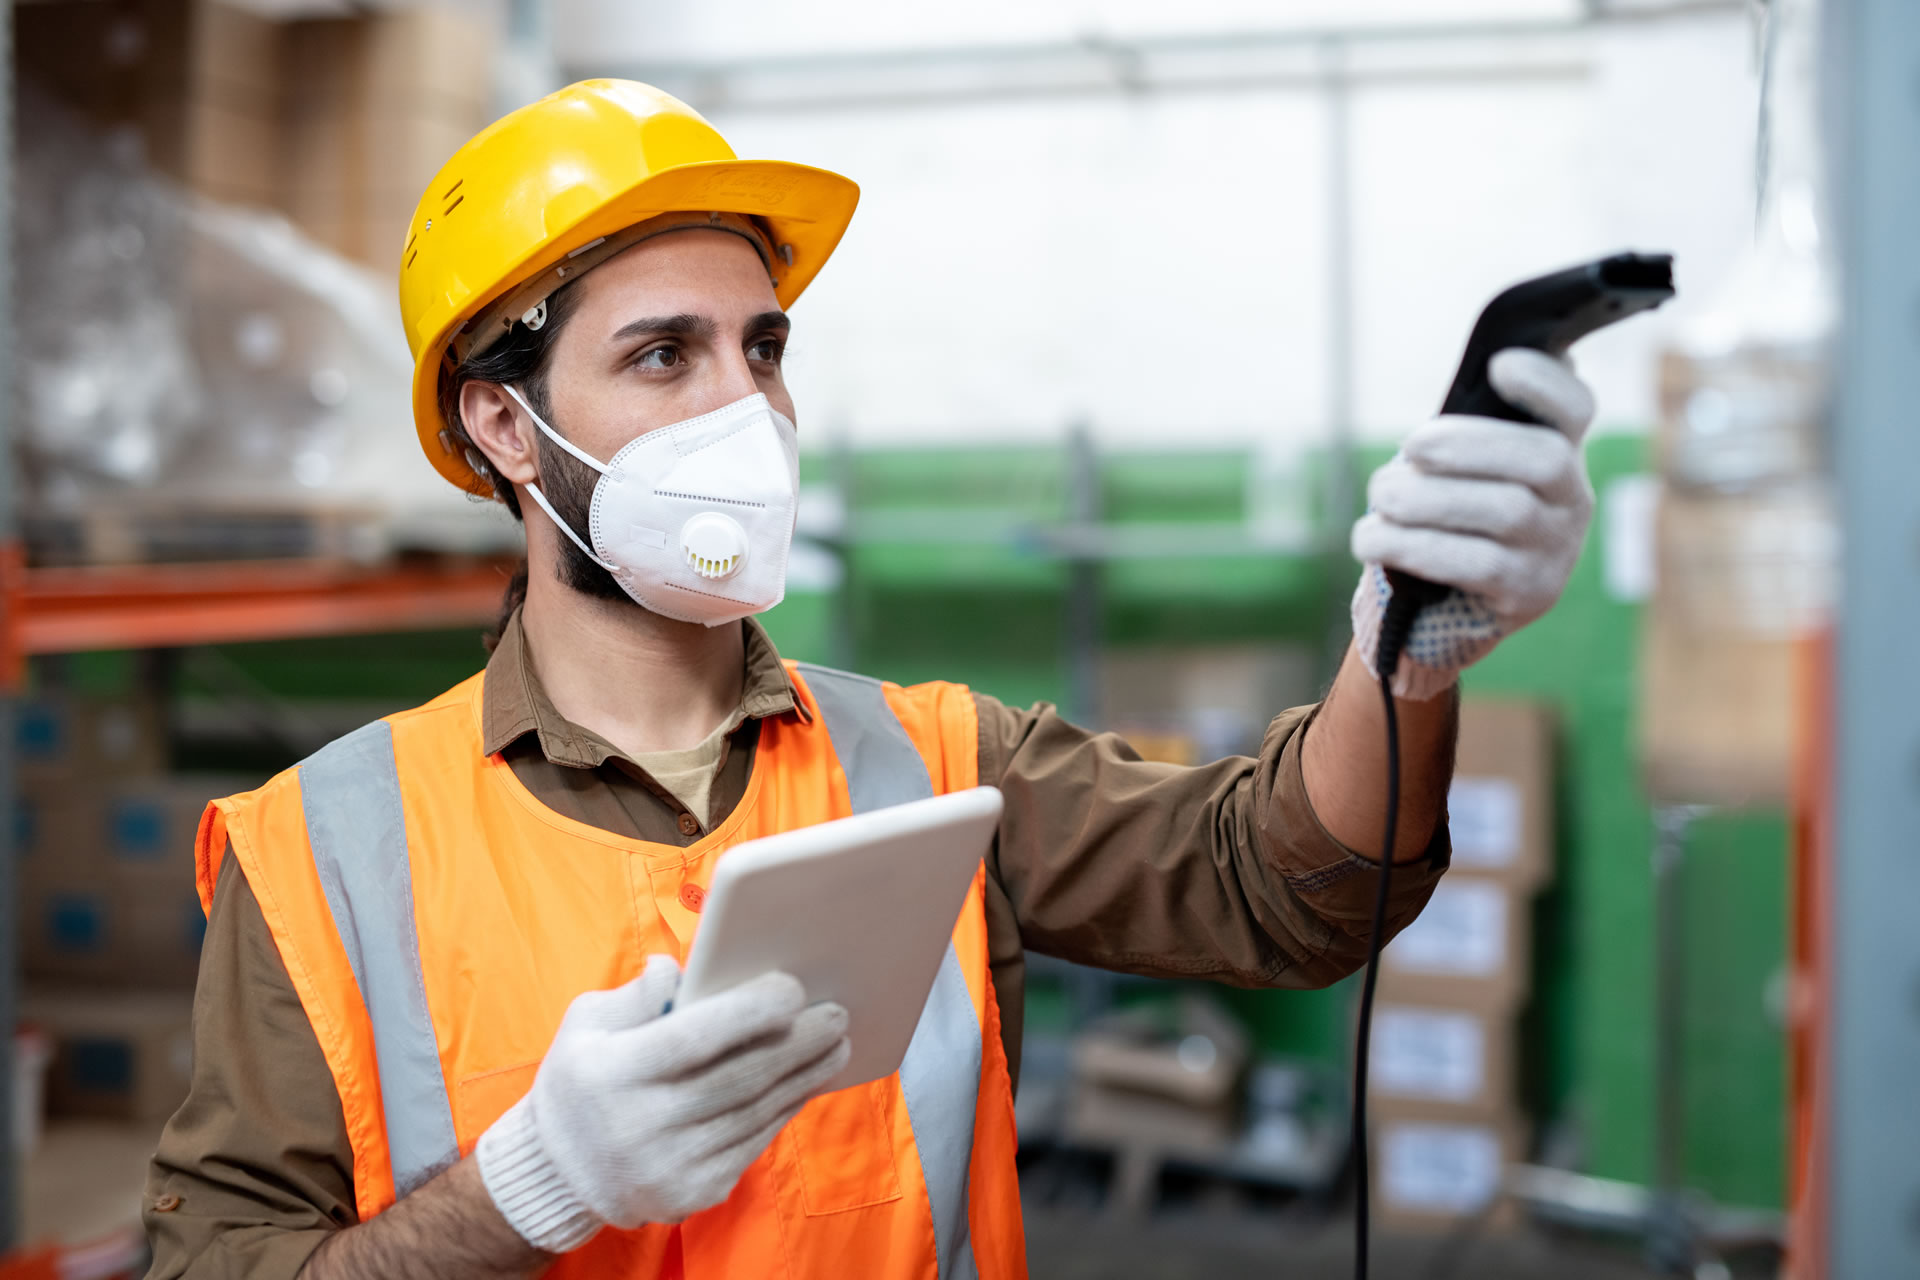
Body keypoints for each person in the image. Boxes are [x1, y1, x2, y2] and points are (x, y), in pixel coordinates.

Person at [142, 80, 1598, 1280]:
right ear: (507, 429)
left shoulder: (934, 759)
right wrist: (531, 1188)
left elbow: (1286, 882)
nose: (746, 413)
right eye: (665, 357)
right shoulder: (323, 852)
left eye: (761, 350)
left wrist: (1411, 643)